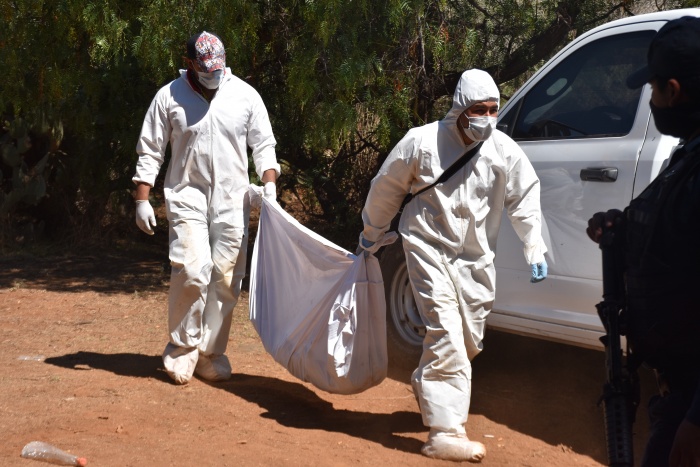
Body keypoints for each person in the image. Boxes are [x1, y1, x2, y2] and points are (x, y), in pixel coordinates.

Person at [357, 69, 548, 462]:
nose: (487, 117)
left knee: (466, 339)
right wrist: (371, 233)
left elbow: (525, 197)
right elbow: (387, 187)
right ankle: (445, 432)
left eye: (494, 109)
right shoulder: (421, 142)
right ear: (460, 108)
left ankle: (430, 383)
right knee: (444, 329)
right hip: (427, 245)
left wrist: (535, 247)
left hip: (476, 260)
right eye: (479, 109)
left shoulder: (503, 150)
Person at [133, 31, 280, 385]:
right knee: (193, 269)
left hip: (233, 199)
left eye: (218, 70)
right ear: (190, 66)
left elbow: (264, 144)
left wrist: (270, 183)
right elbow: (151, 148)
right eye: (206, 71)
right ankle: (182, 349)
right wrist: (142, 198)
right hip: (187, 196)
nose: (213, 77)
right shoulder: (169, 97)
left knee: (227, 279)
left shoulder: (245, 96)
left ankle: (210, 352)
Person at [586, 16, 700, 467]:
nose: (651, 100)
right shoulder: (687, 155)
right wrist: (622, 228)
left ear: (673, 90)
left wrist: (696, 420)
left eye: (653, 90)